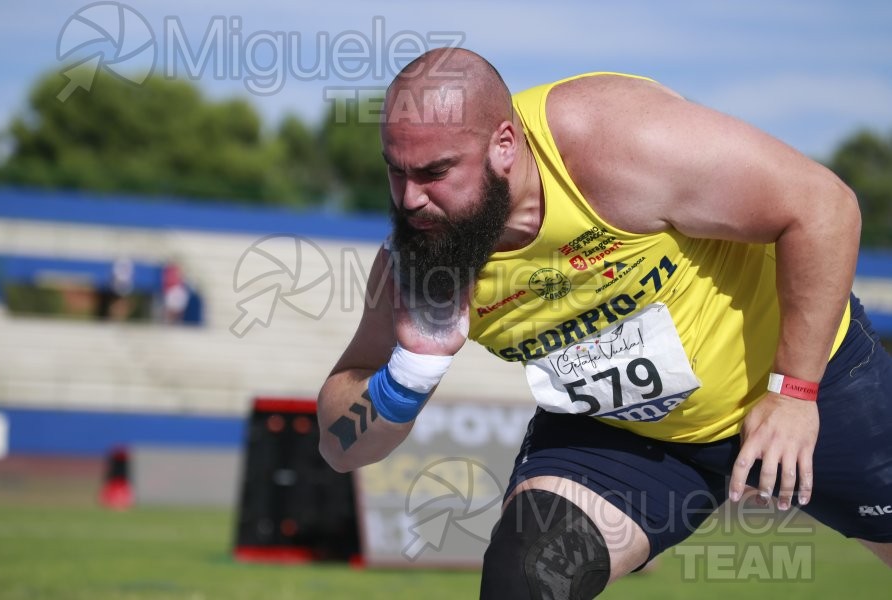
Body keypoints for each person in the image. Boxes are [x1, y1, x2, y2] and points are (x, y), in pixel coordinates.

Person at [317, 48, 892, 598]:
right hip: (623, 436)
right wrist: (411, 374)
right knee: (526, 573)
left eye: (435, 171)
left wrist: (794, 389)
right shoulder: (419, 262)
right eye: (396, 172)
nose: (412, 200)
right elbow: (340, 448)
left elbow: (823, 206)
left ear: (505, 144)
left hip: (805, 383)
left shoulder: (613, 141)